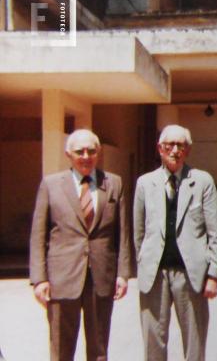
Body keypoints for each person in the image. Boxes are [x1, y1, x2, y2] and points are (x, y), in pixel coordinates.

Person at [29, 129, 131, 361]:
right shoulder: (51, 185)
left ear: (99, 152)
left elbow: (122, 234)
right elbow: (38, 235)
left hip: (100, 278)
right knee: (61, 350)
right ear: (68, 154)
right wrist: (39, 278)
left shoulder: (113, 183)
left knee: (99, 349)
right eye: (80, 151)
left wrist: (123, 274)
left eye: (91, 151)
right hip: (62, 279)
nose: (86, 156)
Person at [133, 124, 217, 361]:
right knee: (153, 342)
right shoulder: (145, 183)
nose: (175, 150)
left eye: (180, 145)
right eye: (169, 145)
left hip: (190, 275)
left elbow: (215, 232)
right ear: (160, 149)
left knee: (195, 343)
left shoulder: (202, 181)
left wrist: (213, 274)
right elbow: (138, 232)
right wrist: (143, 263)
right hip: (155, 275)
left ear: (188, 149)